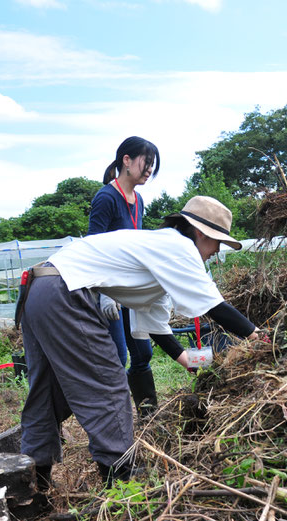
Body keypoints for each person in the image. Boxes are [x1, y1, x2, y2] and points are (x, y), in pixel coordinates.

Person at [18, 196, 258, 489]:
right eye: (217, 243)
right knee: (107, 385)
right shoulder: (179, 247)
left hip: (39, 287)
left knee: (46, 391)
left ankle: (31, 484)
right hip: (65, 292)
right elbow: (215, 305)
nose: (216, 252)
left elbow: (156, 326)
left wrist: (189, 359)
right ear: (201, 232)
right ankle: (119, 481)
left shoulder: (155, 252)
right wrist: (257, 338)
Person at [87, 136, 160, 418]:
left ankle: (148, 414)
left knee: (143, 353)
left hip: (131, 290)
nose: (149, 169)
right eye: (146, 162)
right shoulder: (106, 197)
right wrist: (104, 292)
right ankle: (114, 421)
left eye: (153, 165)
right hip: (110, 292)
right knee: (117, 357)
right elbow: (94, 247)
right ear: (126, 160)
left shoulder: (138, 199)